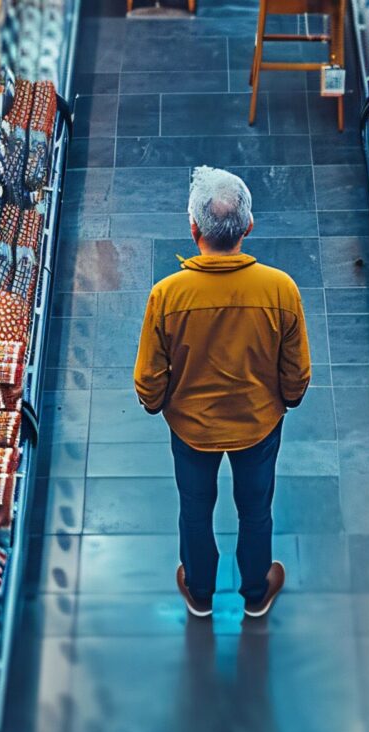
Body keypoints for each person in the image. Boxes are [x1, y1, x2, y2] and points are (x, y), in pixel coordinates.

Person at [133, 166, 311, 618]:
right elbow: (296, 371)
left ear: (193, 228)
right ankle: (255, 590)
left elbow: (149, 377)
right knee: (256, 510)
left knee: (194, 509)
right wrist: (286, 398)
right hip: (258, 425)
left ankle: (199, 590)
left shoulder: (167, 295)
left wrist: (156, 403)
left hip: (192, 429)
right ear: (248, 227)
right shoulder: (280, 289)